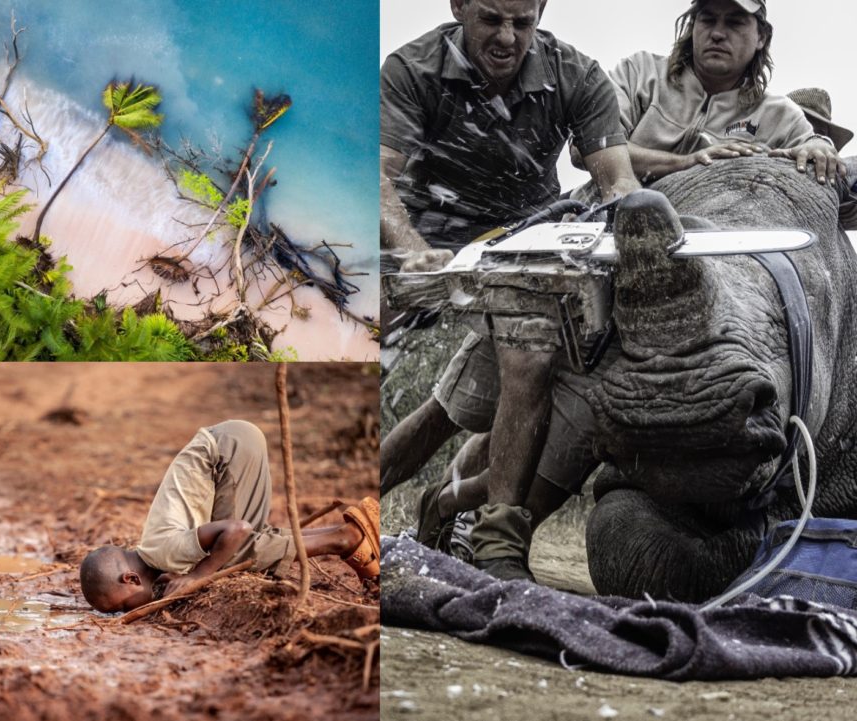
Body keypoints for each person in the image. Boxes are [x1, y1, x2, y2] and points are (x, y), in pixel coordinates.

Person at [380, 0, 640, 581]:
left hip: (526, 235)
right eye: (491, 19)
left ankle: (497, 543)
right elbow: (377, 176)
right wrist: (410, 246)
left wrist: (629, 232)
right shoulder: (410, 67)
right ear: (458, 6)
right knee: (354, 323)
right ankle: (341, 501)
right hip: (425, 229)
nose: (507, 37)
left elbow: (617, 180)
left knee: (530, 353)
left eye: (523, 23)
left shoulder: (577, 73)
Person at [79, 420, 379, 613]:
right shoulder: (156, 552)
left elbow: (237, 529)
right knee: (243, 545)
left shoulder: (164, 553)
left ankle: (346, 540)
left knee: (236, 552)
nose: (125, 612)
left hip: (226, 453)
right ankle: (354, 530)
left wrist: (198, 576)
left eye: (120, 607)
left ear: (131, 579)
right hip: (231, 441)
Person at [611, 0, 843, 185]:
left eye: (734, 22)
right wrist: (686, 162)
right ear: (693, 27)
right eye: (708, 19)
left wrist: (818, 144)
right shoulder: (640, 72)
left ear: (761, 37)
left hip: (717, 239)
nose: (718, 33)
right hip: (600, 220)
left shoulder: (780, 116)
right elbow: (589, 147)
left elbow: (811, 151)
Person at [786, 88, 857, 230]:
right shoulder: (748, 157)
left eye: (819, 133)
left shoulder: (838, 176)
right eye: (801, 128)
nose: (811, 137)